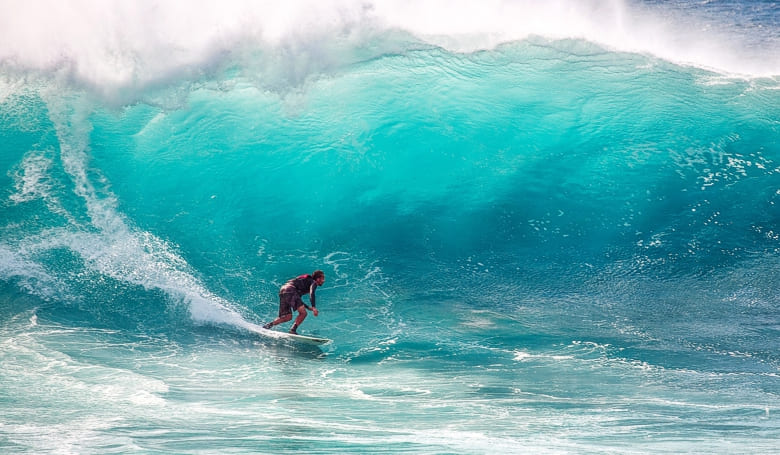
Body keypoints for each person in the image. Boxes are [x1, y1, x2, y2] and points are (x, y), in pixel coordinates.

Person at [263, 270, 325, 334]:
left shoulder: (306, 282)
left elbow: (297, 297)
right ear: (318, 279)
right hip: (291, 290)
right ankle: (293, 330)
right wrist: (314, 307)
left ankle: (268, 326)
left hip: (283, 290)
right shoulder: (313, 282)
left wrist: (308, 307)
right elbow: (312, 293)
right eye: (323, 278)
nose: (324, 280)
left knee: (287, 317)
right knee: (303, 313)